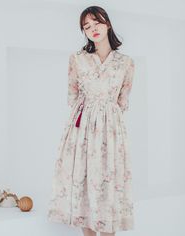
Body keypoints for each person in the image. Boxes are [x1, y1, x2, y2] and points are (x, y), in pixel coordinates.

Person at [47, 5, 135, 236]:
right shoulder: (77, 59)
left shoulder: (126, 63)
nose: (92, 29)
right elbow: (72, 95)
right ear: (83, 32)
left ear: (107, 23)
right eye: (86, 26)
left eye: (96, 23)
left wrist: (105, 118)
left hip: (112, 132)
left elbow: (122, 102)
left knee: (109, 186)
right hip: (82, 130)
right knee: (85, 184)